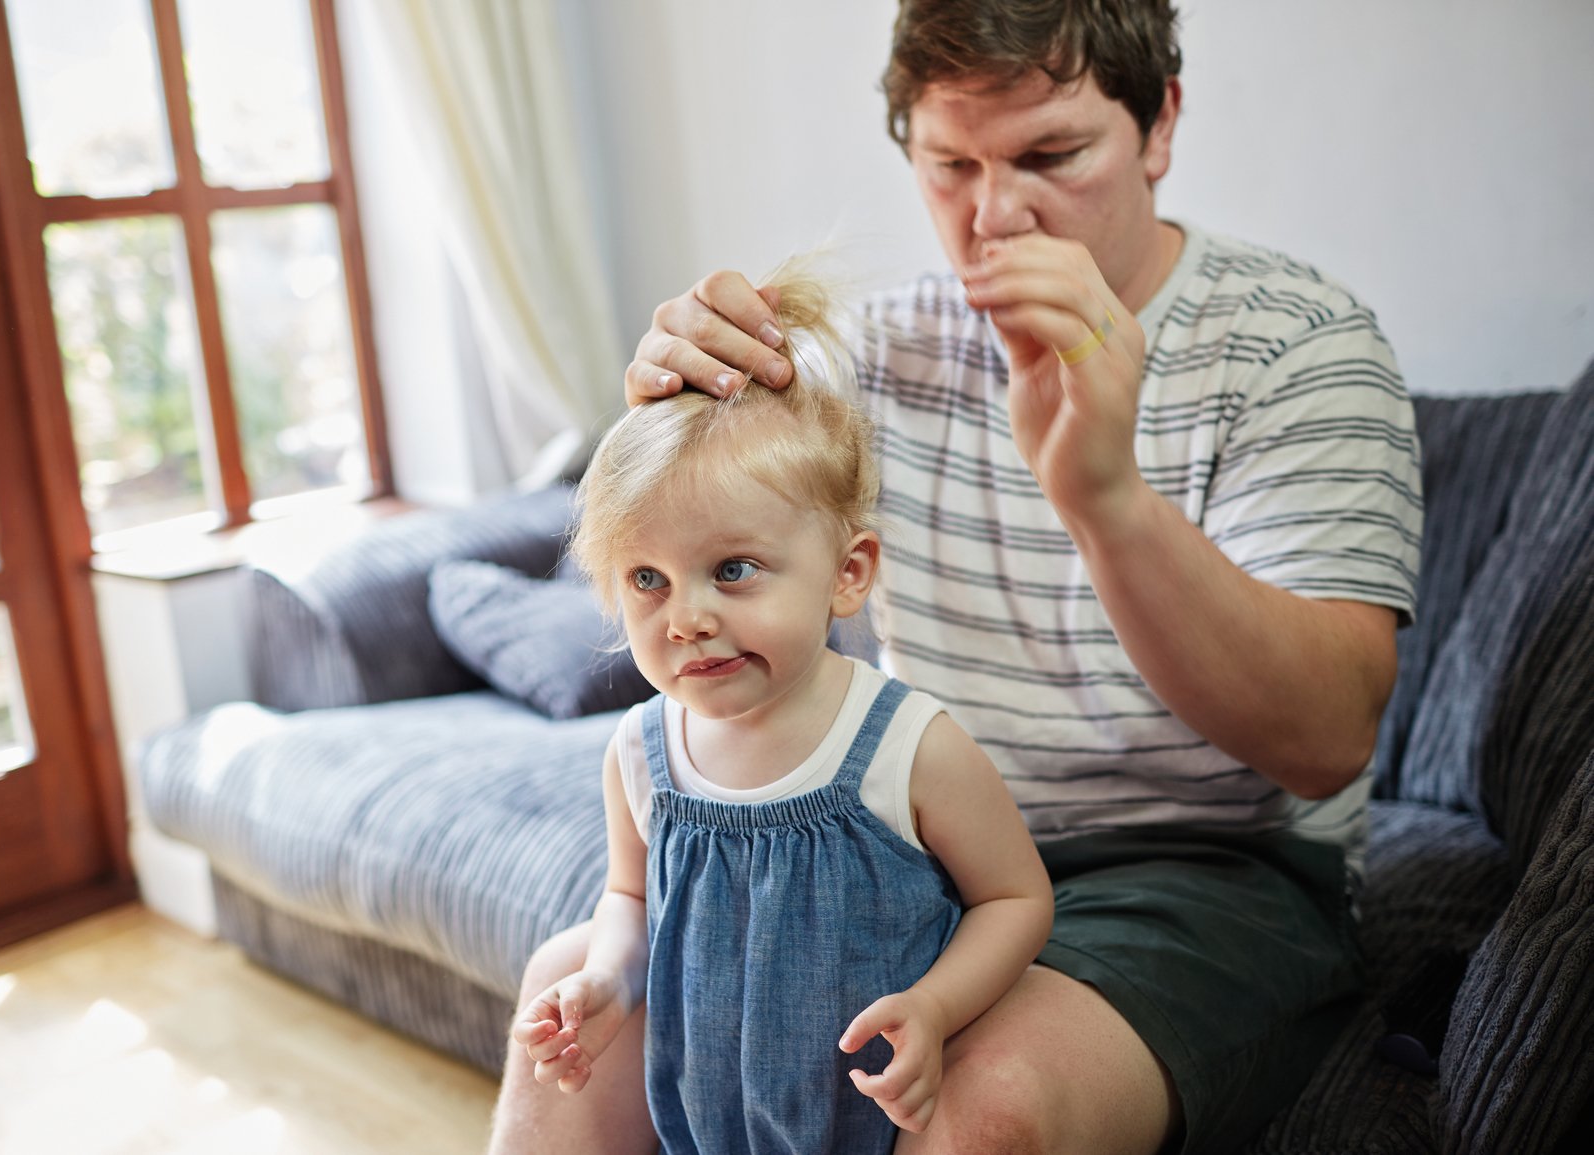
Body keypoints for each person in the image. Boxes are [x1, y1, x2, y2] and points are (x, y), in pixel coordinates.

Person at [489, 2, 1421, 1152]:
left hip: (1203, 870)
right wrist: (673, 396)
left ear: (1158, 124)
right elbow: (690, 525)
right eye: (949, 167)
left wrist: (1103, 500)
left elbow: (1325, 736)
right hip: (903, 844)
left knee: (979, 1112)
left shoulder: (1297, 347)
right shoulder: (870, 355)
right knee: (562, 1004)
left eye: (1050, 156)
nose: (993, 217)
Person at [508, 268, 1055, 1154]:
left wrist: (935, 1004)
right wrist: (604, 977)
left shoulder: (908, 746)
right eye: (648, 580)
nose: (684, 616)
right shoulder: (641, 750)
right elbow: (627, 892)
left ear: (848, 573)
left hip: (869, 1120)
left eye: (731, 569)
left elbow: (1016, 897)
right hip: (709, 1122)